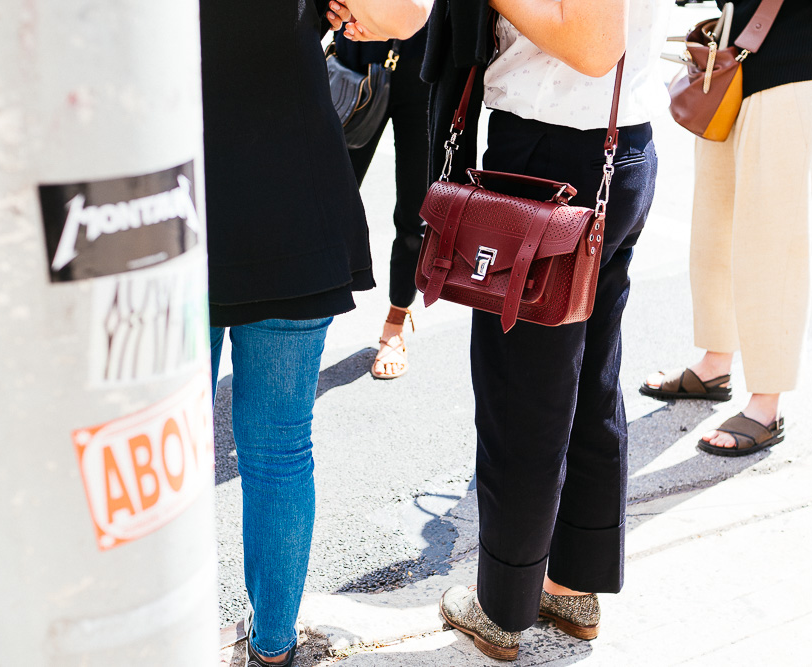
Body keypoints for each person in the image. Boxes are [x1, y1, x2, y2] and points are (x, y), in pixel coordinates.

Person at [349, 0, 667, 657]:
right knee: (586, 381)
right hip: (618, 142)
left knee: (521, 400)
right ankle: (569, 584)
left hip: (552, 153)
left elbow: (593, 42)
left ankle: (503, 607)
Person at [200, 2, 375, 665]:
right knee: (278, 446)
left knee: (169, 450)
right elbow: (402, 13)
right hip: (294, 200)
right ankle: (273, 644)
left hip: (170, 210)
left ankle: (170, 627)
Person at [641, 0, 812, 456]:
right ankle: (714, 364)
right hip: (726, 77)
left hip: (790, 80)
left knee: (771, 244)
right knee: (713, 232)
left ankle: (767, 403)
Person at [332, 24, 431, 379]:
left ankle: (395, 322)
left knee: (414, 213)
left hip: (425, 70)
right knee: (328, 202)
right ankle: (305, 320)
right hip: (357, 61)